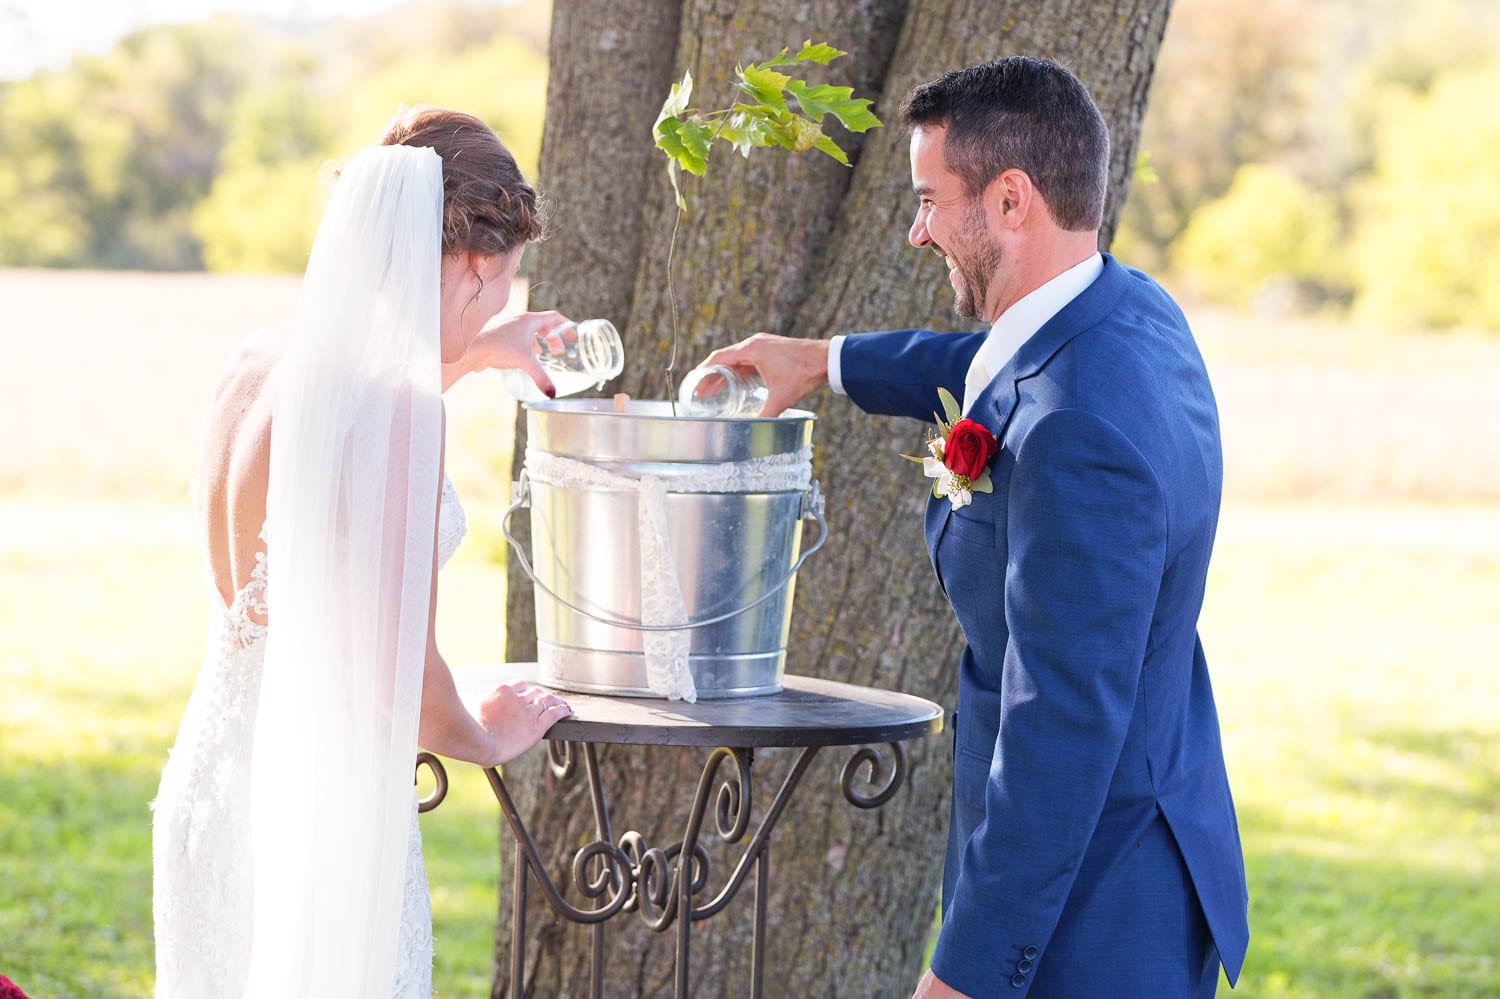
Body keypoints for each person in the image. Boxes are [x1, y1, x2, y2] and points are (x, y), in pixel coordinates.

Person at [703, 58, 1250, 997]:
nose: (917, 232)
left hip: (1096, 911)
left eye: (927, 200)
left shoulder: (1077, 431)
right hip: (1130, 846)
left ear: (1009, 200)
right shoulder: (1128, 314)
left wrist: (965, 975)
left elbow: (1061, 727)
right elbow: (989, 366)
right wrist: (821, 362)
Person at [152, 106, 573, 998]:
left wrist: (483, 350)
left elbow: (334, 440)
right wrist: (491, 734)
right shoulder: (402, 409)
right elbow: (411, 690)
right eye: (502, 284)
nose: (501, 301)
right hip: (323, 813)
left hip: (218, 781)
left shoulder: (261, 363)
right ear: (467, 265)